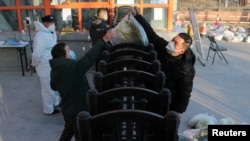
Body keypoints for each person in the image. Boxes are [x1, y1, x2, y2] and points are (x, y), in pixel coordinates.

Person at [49, 29, 116, 141]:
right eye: (68, 50)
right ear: (63, 54)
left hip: (67, 109)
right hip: (78, 111)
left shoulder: (55, 70)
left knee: (68, 130)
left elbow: (53, 87)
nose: (71, 52)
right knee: (81, 135)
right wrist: (104, 40)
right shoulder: (73, 67)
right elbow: (89, 58)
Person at [132, 9, 196, 120]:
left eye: (175, 43)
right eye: (173, 39)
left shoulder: (186, 69)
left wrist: (179, 110)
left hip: (169, 100)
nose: (171, 43)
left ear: (181, 51)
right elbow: (151, 34)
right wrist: (138, 16)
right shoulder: (164, 47)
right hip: (153, 92)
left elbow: (185, 91)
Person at [31, 15, 61, 115]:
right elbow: (36, 54)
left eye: (54, 22)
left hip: (53, 64)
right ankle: (49, 110)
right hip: (44, 66)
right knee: (47, 88)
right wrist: (34, 65)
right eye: (51, 23)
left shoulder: (51, 32)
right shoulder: (41, 35)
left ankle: (56, 103)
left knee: (54, 85)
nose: (53, 24)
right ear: (46, 24)